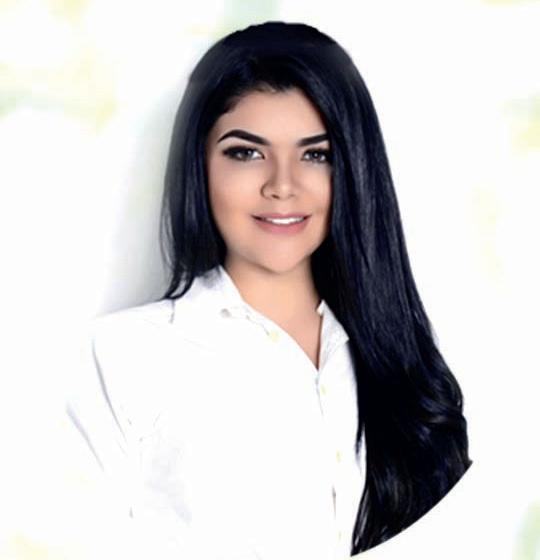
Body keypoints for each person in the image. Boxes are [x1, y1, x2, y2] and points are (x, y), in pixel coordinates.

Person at [66, 20, 472, 559]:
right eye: (246, 152)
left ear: (354, 171)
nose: (282, 185)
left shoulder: (405, 367)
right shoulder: (121, 356)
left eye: (316, 154)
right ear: (199, 166)